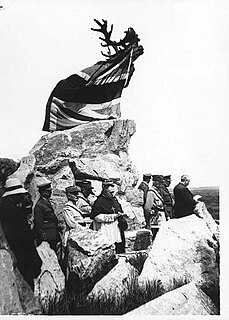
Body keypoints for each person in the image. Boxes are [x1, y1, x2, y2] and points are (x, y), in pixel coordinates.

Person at [0, 178, 42, 290]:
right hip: (21, 252)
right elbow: (23, 235)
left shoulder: (5, 207)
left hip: (12, 250)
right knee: (26, 281)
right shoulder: (14, 211)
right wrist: (34, 234)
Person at [90, 179, 127, 254]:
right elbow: (97, 217)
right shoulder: (99, 201)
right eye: (110, 192)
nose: (112, 194)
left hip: (116, 228)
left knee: (119, 247)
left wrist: (120, 214)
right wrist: (113, 216)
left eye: (113, 192)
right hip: (106, 228)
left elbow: (118, 209)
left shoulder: (114, 200)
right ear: (104, 189)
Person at [34, 177, 60, 253]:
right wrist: (43, 238)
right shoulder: (39, 205)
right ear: (42, 192)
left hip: (52, 234)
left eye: (50, 191)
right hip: (47, 236)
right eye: (47, 191)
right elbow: (39, 223)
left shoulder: (47, 202)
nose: (50, 193)